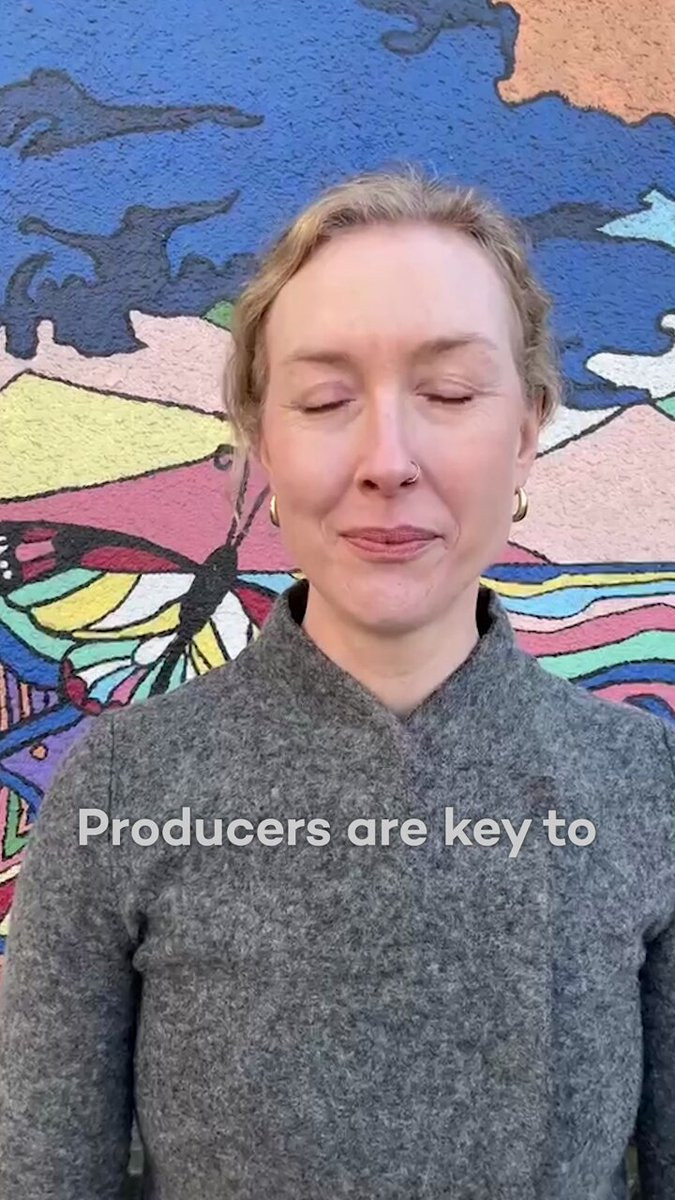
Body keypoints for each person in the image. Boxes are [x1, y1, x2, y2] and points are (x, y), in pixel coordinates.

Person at [0, 165, 673, 1200]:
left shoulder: (644, 786)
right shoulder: (124, 787)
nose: (386, 460)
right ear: (261, 437)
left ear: (528, 430)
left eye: (448, 394)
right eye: (324, 400)